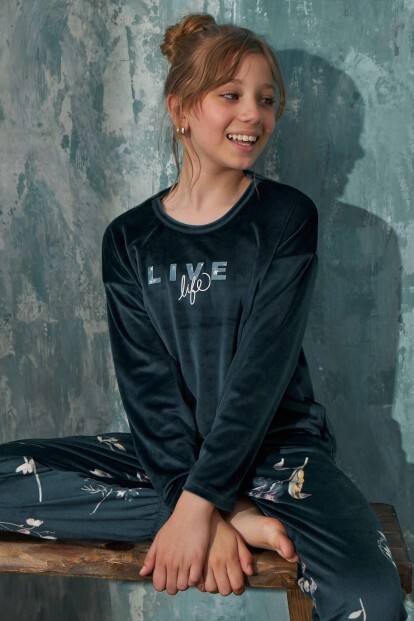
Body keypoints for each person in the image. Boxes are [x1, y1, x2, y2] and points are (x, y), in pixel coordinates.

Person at [0, 13, 407, 620]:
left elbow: (259, 377)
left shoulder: (286, 219)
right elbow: (148, 389)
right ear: (181, 110)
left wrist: (195, 505)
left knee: (372, 596)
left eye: (266, 99)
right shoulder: (129, 239)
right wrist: (208, 510)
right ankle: (234, 517)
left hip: (281, 458)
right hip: (166, 461)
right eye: (231, 96)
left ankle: (213, 509)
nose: (254, 114)